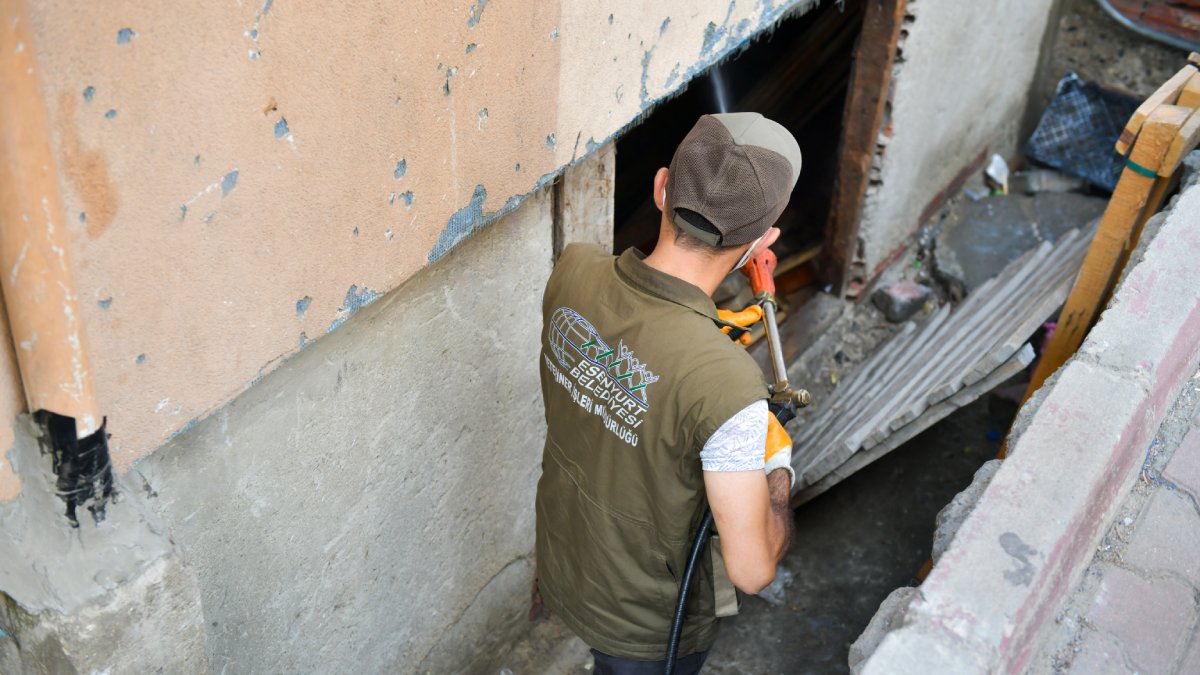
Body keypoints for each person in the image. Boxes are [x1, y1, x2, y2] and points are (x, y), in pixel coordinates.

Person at [533, 112, 801, 674]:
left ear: (661, 188)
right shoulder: (725, 384)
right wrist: (775, 469)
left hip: (565, 564)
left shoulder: (573, 271)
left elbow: (631, 365)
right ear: (762, 243)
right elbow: (752, 571)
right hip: (647, 631)